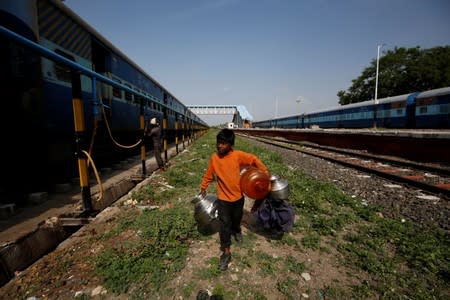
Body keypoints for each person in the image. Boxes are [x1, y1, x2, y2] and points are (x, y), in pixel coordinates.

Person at [200, 128, 269, 271]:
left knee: (236, 219)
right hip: (223, 199)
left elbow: (253, 159)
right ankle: (226, 251)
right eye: (218, 142)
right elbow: (208, 174)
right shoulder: (215, 158)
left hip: (238, 197)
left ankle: (237, 230)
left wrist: (264, 172)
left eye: (223, 143)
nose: (220, 146)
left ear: (230, 144)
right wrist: (203, 187)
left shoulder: (237, 156)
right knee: (224, 224)